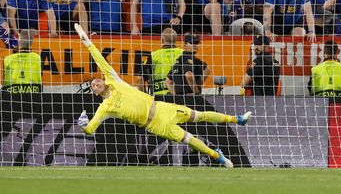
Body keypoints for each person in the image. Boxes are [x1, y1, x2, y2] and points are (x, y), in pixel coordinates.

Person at [75, 24, 250, 168]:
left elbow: (101, 60)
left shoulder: (116, 80)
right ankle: (217, 156)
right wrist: (83, 125)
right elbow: (91, 128)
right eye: (93, 85)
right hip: (156, 123)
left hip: (161, 105)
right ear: (96, 93)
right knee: (190, 138)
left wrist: (87, 41)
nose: (96, 82)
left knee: (200, 116)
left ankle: (237, 119)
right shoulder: (105, 107)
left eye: (97, 80)